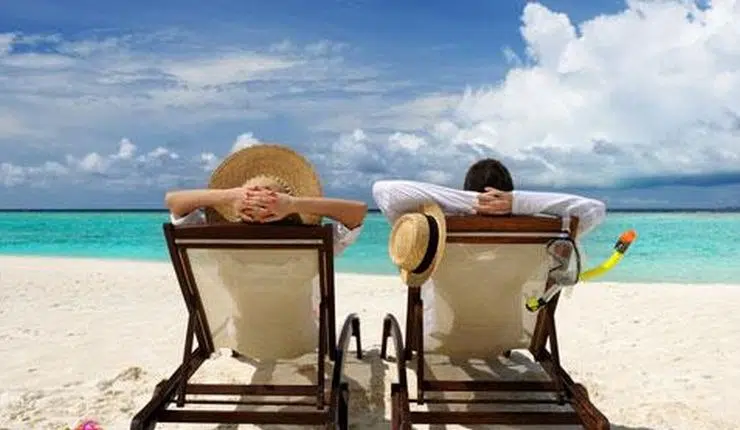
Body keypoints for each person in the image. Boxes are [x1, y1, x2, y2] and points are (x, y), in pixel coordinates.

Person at [164, 143, 367, 358]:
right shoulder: (311, 242)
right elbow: (357, 213)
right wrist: (293, 204)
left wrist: (230, 196)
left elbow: (174, 202)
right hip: (301, 341)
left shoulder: (217, 242)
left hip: (242, 340)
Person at [372, 157, 607, 340]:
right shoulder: (538, 237)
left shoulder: (437, 233)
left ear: (465, 189)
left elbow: (383, 191)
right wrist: (516, 203)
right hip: (508, 335)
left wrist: (468, 201)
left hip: (441, 336)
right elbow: (593, 210)